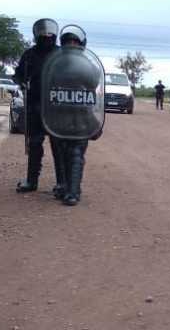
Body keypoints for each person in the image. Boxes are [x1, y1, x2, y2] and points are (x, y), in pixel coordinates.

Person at [48, 28, 100, 206]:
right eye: (68, 42)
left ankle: (73, 191)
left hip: (80, 115)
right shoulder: (55, 64)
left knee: (76, 152)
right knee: (60, 151)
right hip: (59, 114)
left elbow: (94, 83)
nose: (72, 45)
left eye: (75, 42)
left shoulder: (87, 65)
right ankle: (63, 186)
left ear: (81, 45)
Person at [13, 18, 61, 195]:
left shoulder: (61, 54)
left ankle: (62, 183)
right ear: (37, 35)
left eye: (49, 34)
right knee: (34, 144)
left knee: (58, 145)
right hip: (35, 104)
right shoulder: (29, 54)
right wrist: (21, 82)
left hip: (56, 106)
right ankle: (31, 181)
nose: (46, 36)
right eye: (43, 33)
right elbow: (18, 74)